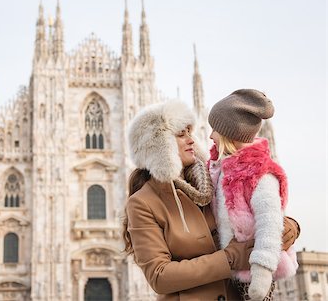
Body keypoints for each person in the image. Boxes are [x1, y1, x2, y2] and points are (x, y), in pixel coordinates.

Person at [122, 98, 299, 301]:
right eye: (181, 134)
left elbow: (261, 213)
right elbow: (160, 276)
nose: (192, 139)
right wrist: (232, 258)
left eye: (190, 132)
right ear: (158, 147)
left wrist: (290, 228)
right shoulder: (143, 203)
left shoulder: (213, 180)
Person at [207, 89, 298, 300]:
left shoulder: (259, 175)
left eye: (215, 129)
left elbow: (270, 225)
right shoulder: (220, 169)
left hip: (253, 274)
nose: (210, 135)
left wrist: (262, 272)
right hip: (230, 268)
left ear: (230, 134)